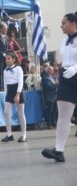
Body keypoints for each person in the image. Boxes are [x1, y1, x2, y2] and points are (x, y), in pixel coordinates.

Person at [42, 13, 77, 162]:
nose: (61, 26)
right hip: (66, 78)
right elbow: (63, 60)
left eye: (63, 23)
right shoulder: (63, 41)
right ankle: (59, 151)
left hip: (75, 72)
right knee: (63, 115)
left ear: (73, 23)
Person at [1, 51, 27, 143]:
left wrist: (18, 94)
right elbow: (5, 84)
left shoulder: (18, 69)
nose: (7, 60)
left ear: (14, 59)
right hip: (9, 91)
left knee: (21, 113)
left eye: (9, 58)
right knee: (6, 112)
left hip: (17, 90)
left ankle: (23, 135)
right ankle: (9, 134)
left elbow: (21, 82)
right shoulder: (5, 70)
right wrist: (6, 95)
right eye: (6, 59)